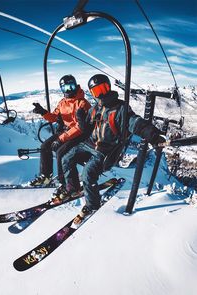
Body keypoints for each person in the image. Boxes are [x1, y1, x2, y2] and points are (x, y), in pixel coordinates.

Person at [59, 74, 166, 223]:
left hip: (107, 149)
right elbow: (87, 128)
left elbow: (135, 122)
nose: (101, 94)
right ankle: (72, 188)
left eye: (103, 89)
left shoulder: (120, 108)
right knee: (66, 158)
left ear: (109, 87)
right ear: (92, 94)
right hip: (90, 144)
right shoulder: (96, 108)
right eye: (96, 91)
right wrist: (82, 119)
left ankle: (92, 205)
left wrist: (153, 135)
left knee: (88, 173)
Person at [31, 74, 91, 187]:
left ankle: (65, 183)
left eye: (71, 87)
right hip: (65, 132)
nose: (68, 90)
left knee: (61, 152)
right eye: (65, 88)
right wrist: (43, 112)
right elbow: (54, 117)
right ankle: (46, 176)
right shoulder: (62, 102)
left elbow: (80, 127)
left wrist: (60, 139)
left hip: (79, 134)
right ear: (62, 89)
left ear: (76, 86)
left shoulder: (82, 103)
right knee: (45, 146)